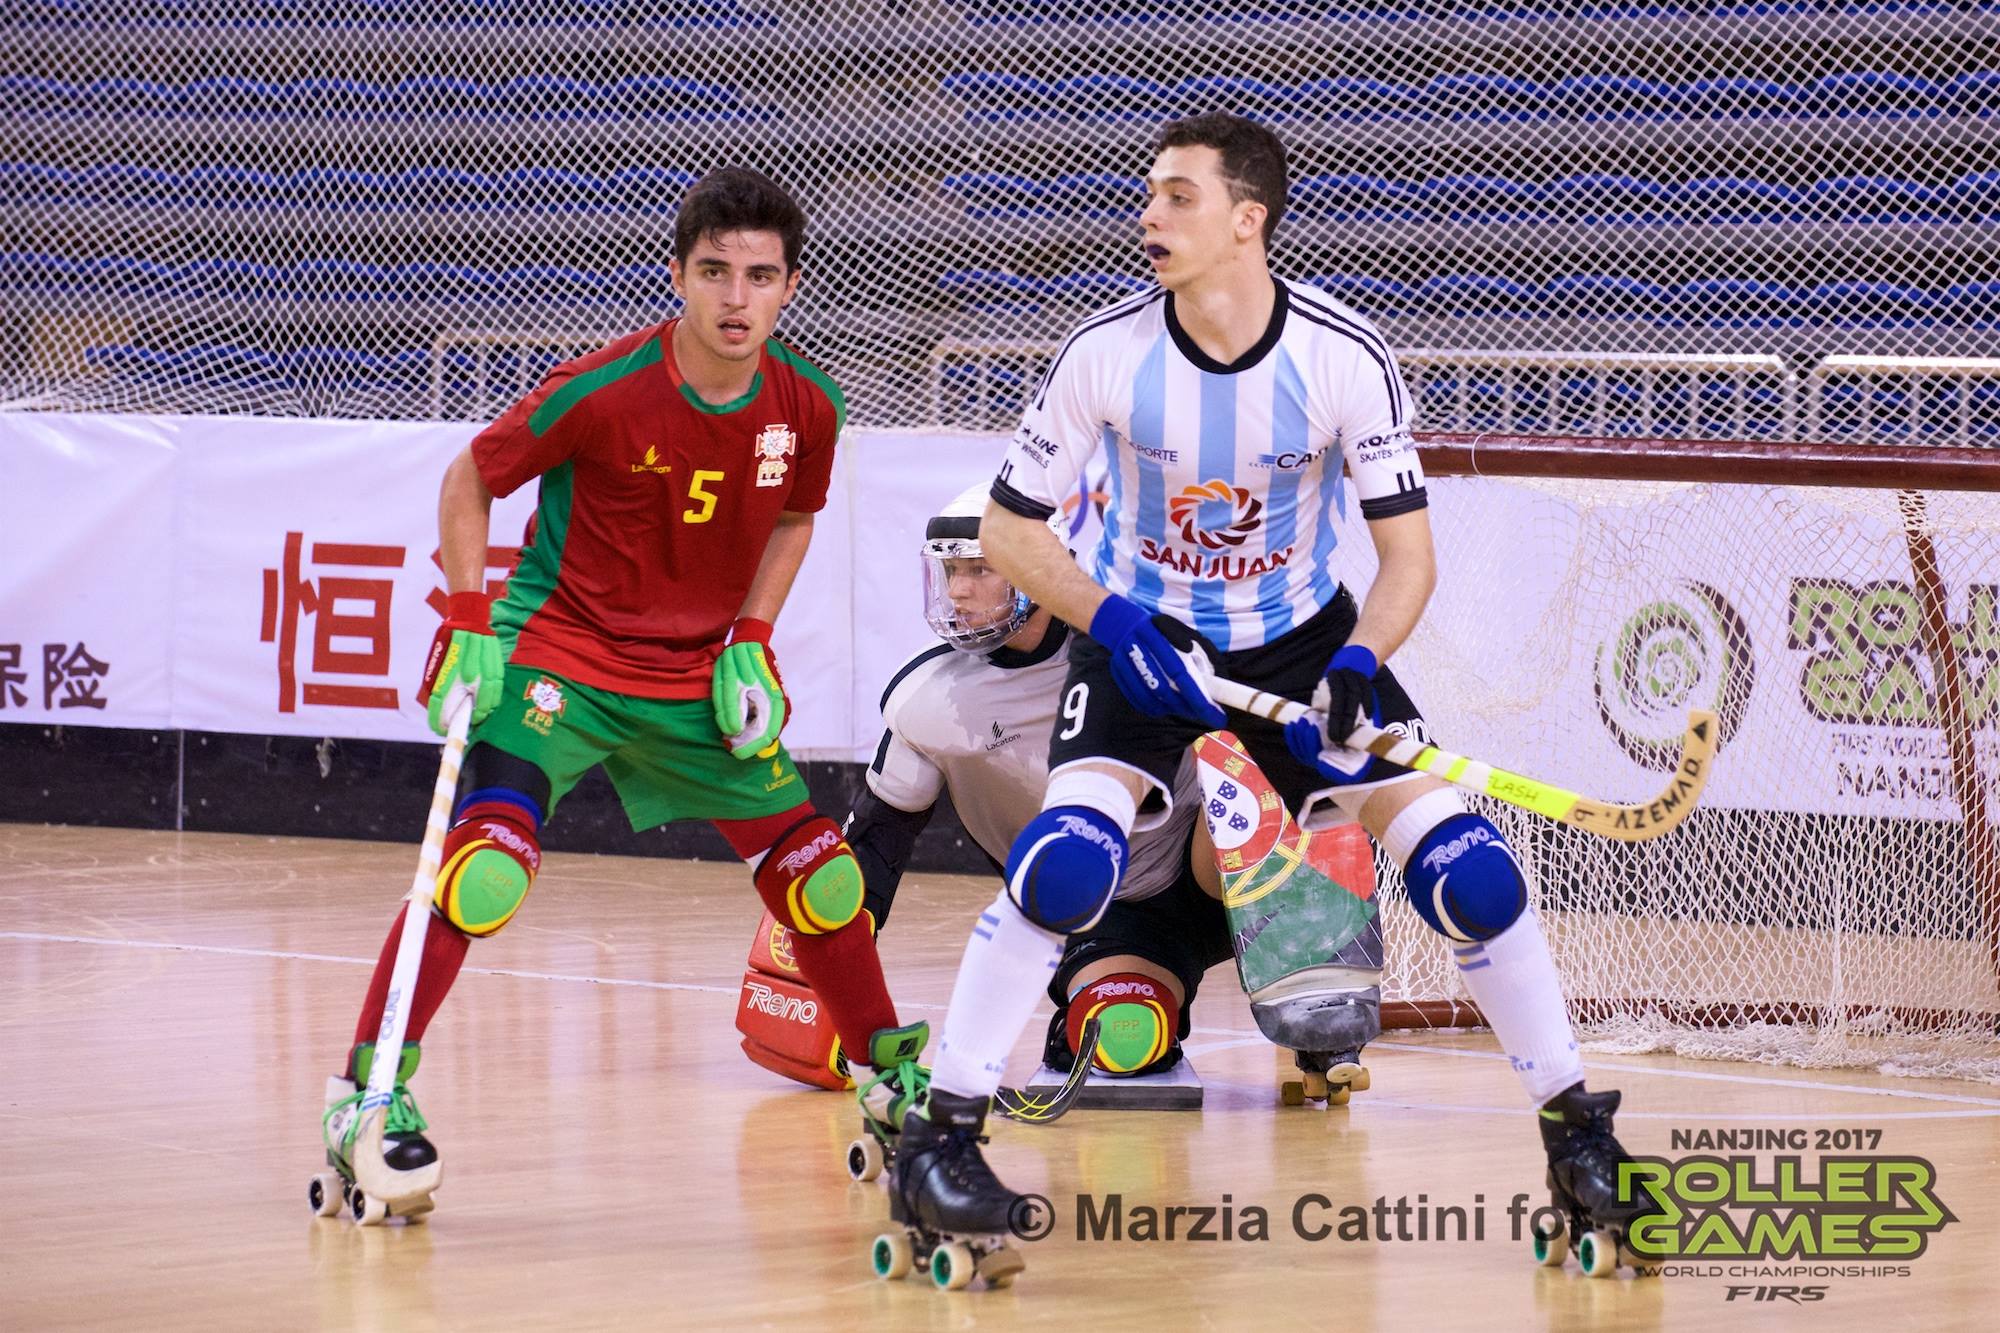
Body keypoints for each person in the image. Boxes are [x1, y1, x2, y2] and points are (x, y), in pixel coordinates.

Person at [889, 112, 1657, 1278]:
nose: (1148, 214)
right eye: (1150, 192)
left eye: (1177, 196)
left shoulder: (1342, 356)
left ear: (1246, 219)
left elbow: (1406, 561)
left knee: (1472, 874)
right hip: (1141, 646)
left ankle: (1575, 1135)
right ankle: (939, 1141)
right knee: (1064, 867)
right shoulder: (1104, 354)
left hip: (1304, 650)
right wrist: (1112, 619)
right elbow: (1007, 529)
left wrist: (1357, 664)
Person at [315, 167, 925, 1218]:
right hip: (560, 656)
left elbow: (793, 517)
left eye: (760, 277)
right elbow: (472, 477)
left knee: (823, 880)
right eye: (715, 272)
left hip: (691, 677)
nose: (736, 298)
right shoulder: (599, 389)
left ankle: (888, 1082)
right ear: (678, 275)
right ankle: (364, 1096)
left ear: (790, 288)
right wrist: (469, 618)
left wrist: (750, 636)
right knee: (482, 872)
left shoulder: (806, 406)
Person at [734, 484, 1381, 1100]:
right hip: (1107, 909)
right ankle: (1106, 1000)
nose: (958, 591)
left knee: (1274, 762)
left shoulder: (1137, 647)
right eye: (950, 571)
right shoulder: (926, 701)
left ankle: (1323, 1006)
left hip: (1216, 867)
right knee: (1123, 1034)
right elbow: (875, 854)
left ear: (1037, 568)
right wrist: (828, 991)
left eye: (980, 570)